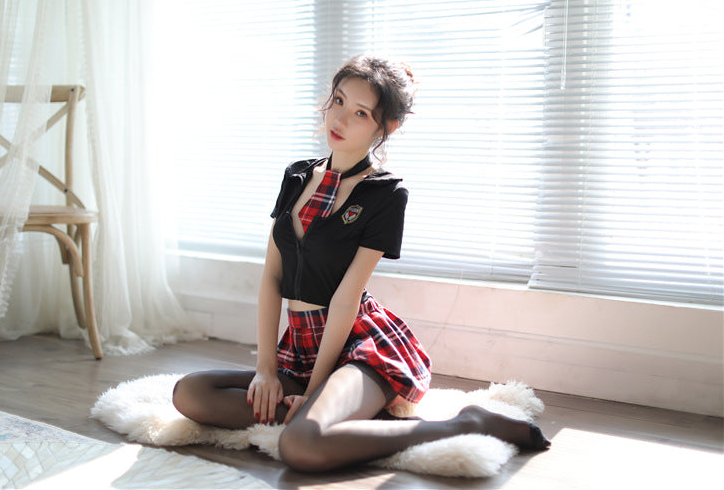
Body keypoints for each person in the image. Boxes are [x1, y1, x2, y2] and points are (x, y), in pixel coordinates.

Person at [172, 55, 550, 472]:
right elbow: (271, 277)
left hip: (357, 346)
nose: (339, 118)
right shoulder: (296, 176)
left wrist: (314, 390)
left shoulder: (385, 194)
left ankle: (464, 423)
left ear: (386, 127)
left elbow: (346, 297)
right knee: (190, 393)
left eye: (360, 113)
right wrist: (266, 370)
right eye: (338, 101)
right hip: (300, 347)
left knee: (300, 447)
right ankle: (339, 421)